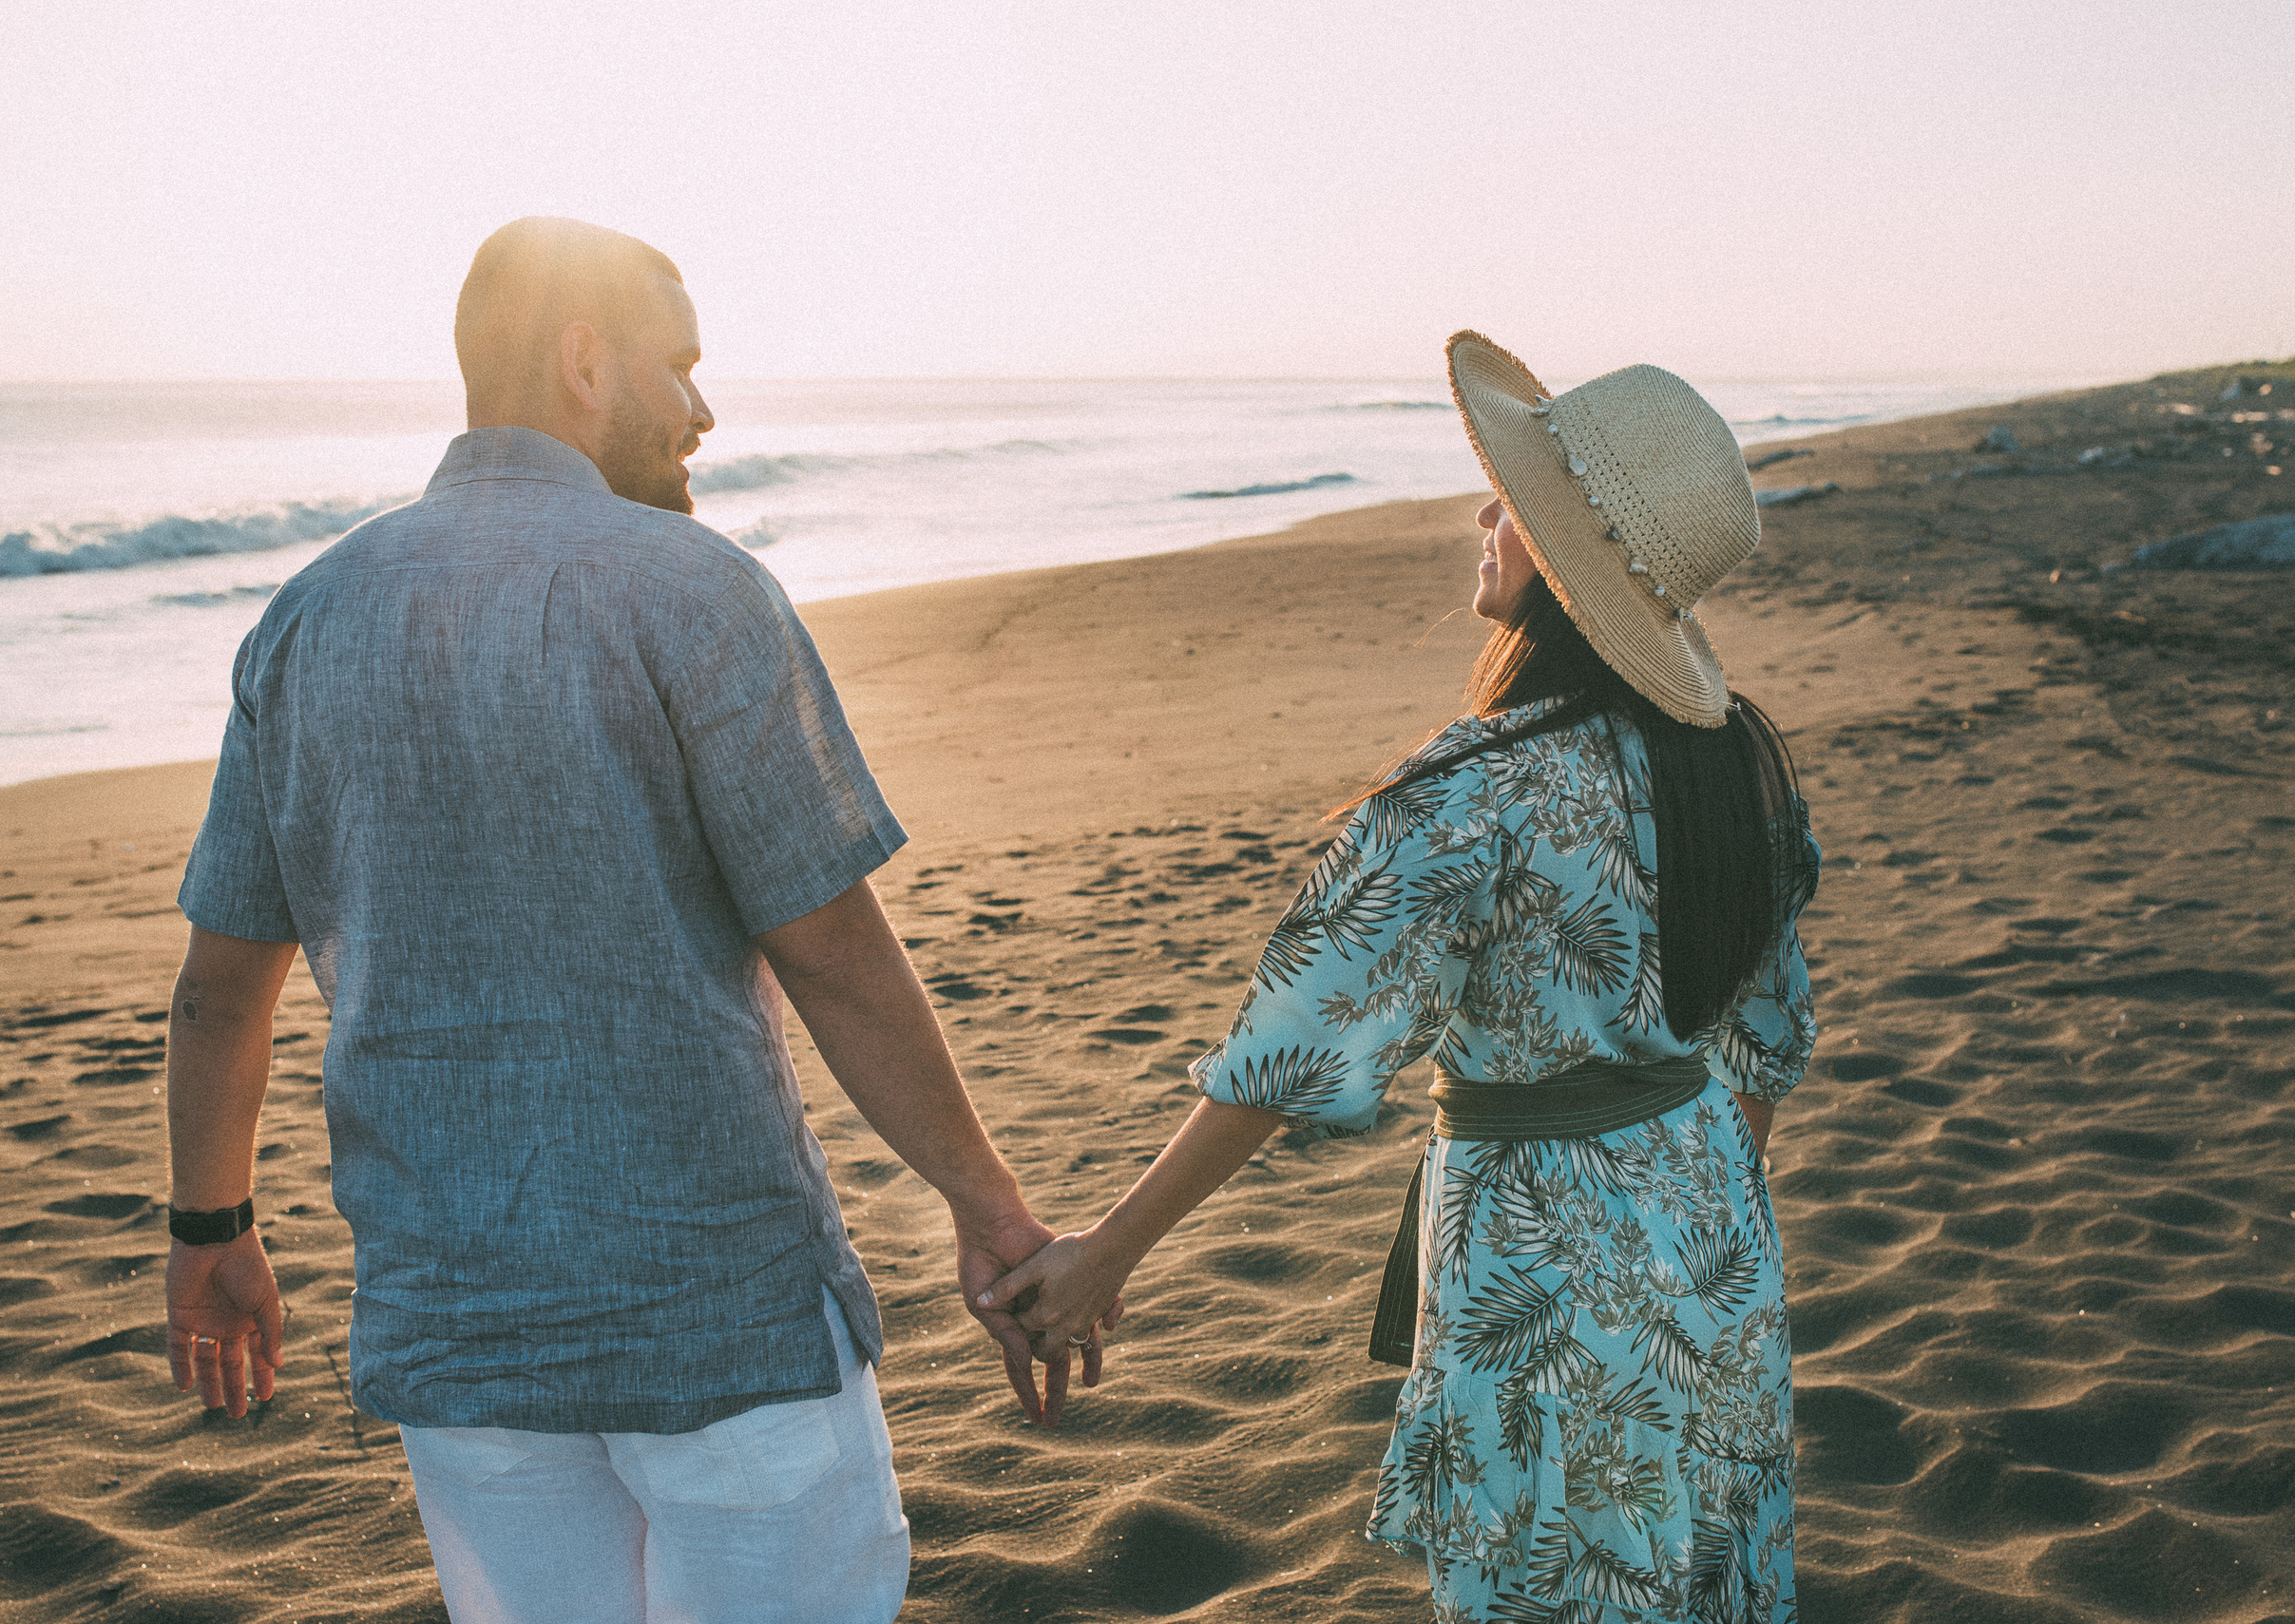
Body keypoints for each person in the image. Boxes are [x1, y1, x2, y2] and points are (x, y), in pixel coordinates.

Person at [160, 216, 1104, 1624]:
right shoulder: (696, 590)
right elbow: (834, 950)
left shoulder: (306, 618)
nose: (706, 409)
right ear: (584, 362)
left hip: (461, 1333)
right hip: (721, 1321)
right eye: (683, 365)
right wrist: (987, 1202)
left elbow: (221, 988)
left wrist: (209, 1228)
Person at [982, 332, 1822, 1621]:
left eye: (1518, 501)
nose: (1488, 513)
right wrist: (1686, 1210)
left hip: (1542, 1261)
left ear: (1568, 558)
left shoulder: (1471, 791)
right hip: (1717, 1234)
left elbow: (1296, 1043)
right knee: (1704, 1576)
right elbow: (1765, 1040)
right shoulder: (1740, 764)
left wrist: (1109, 1251)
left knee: (1554, 1579)